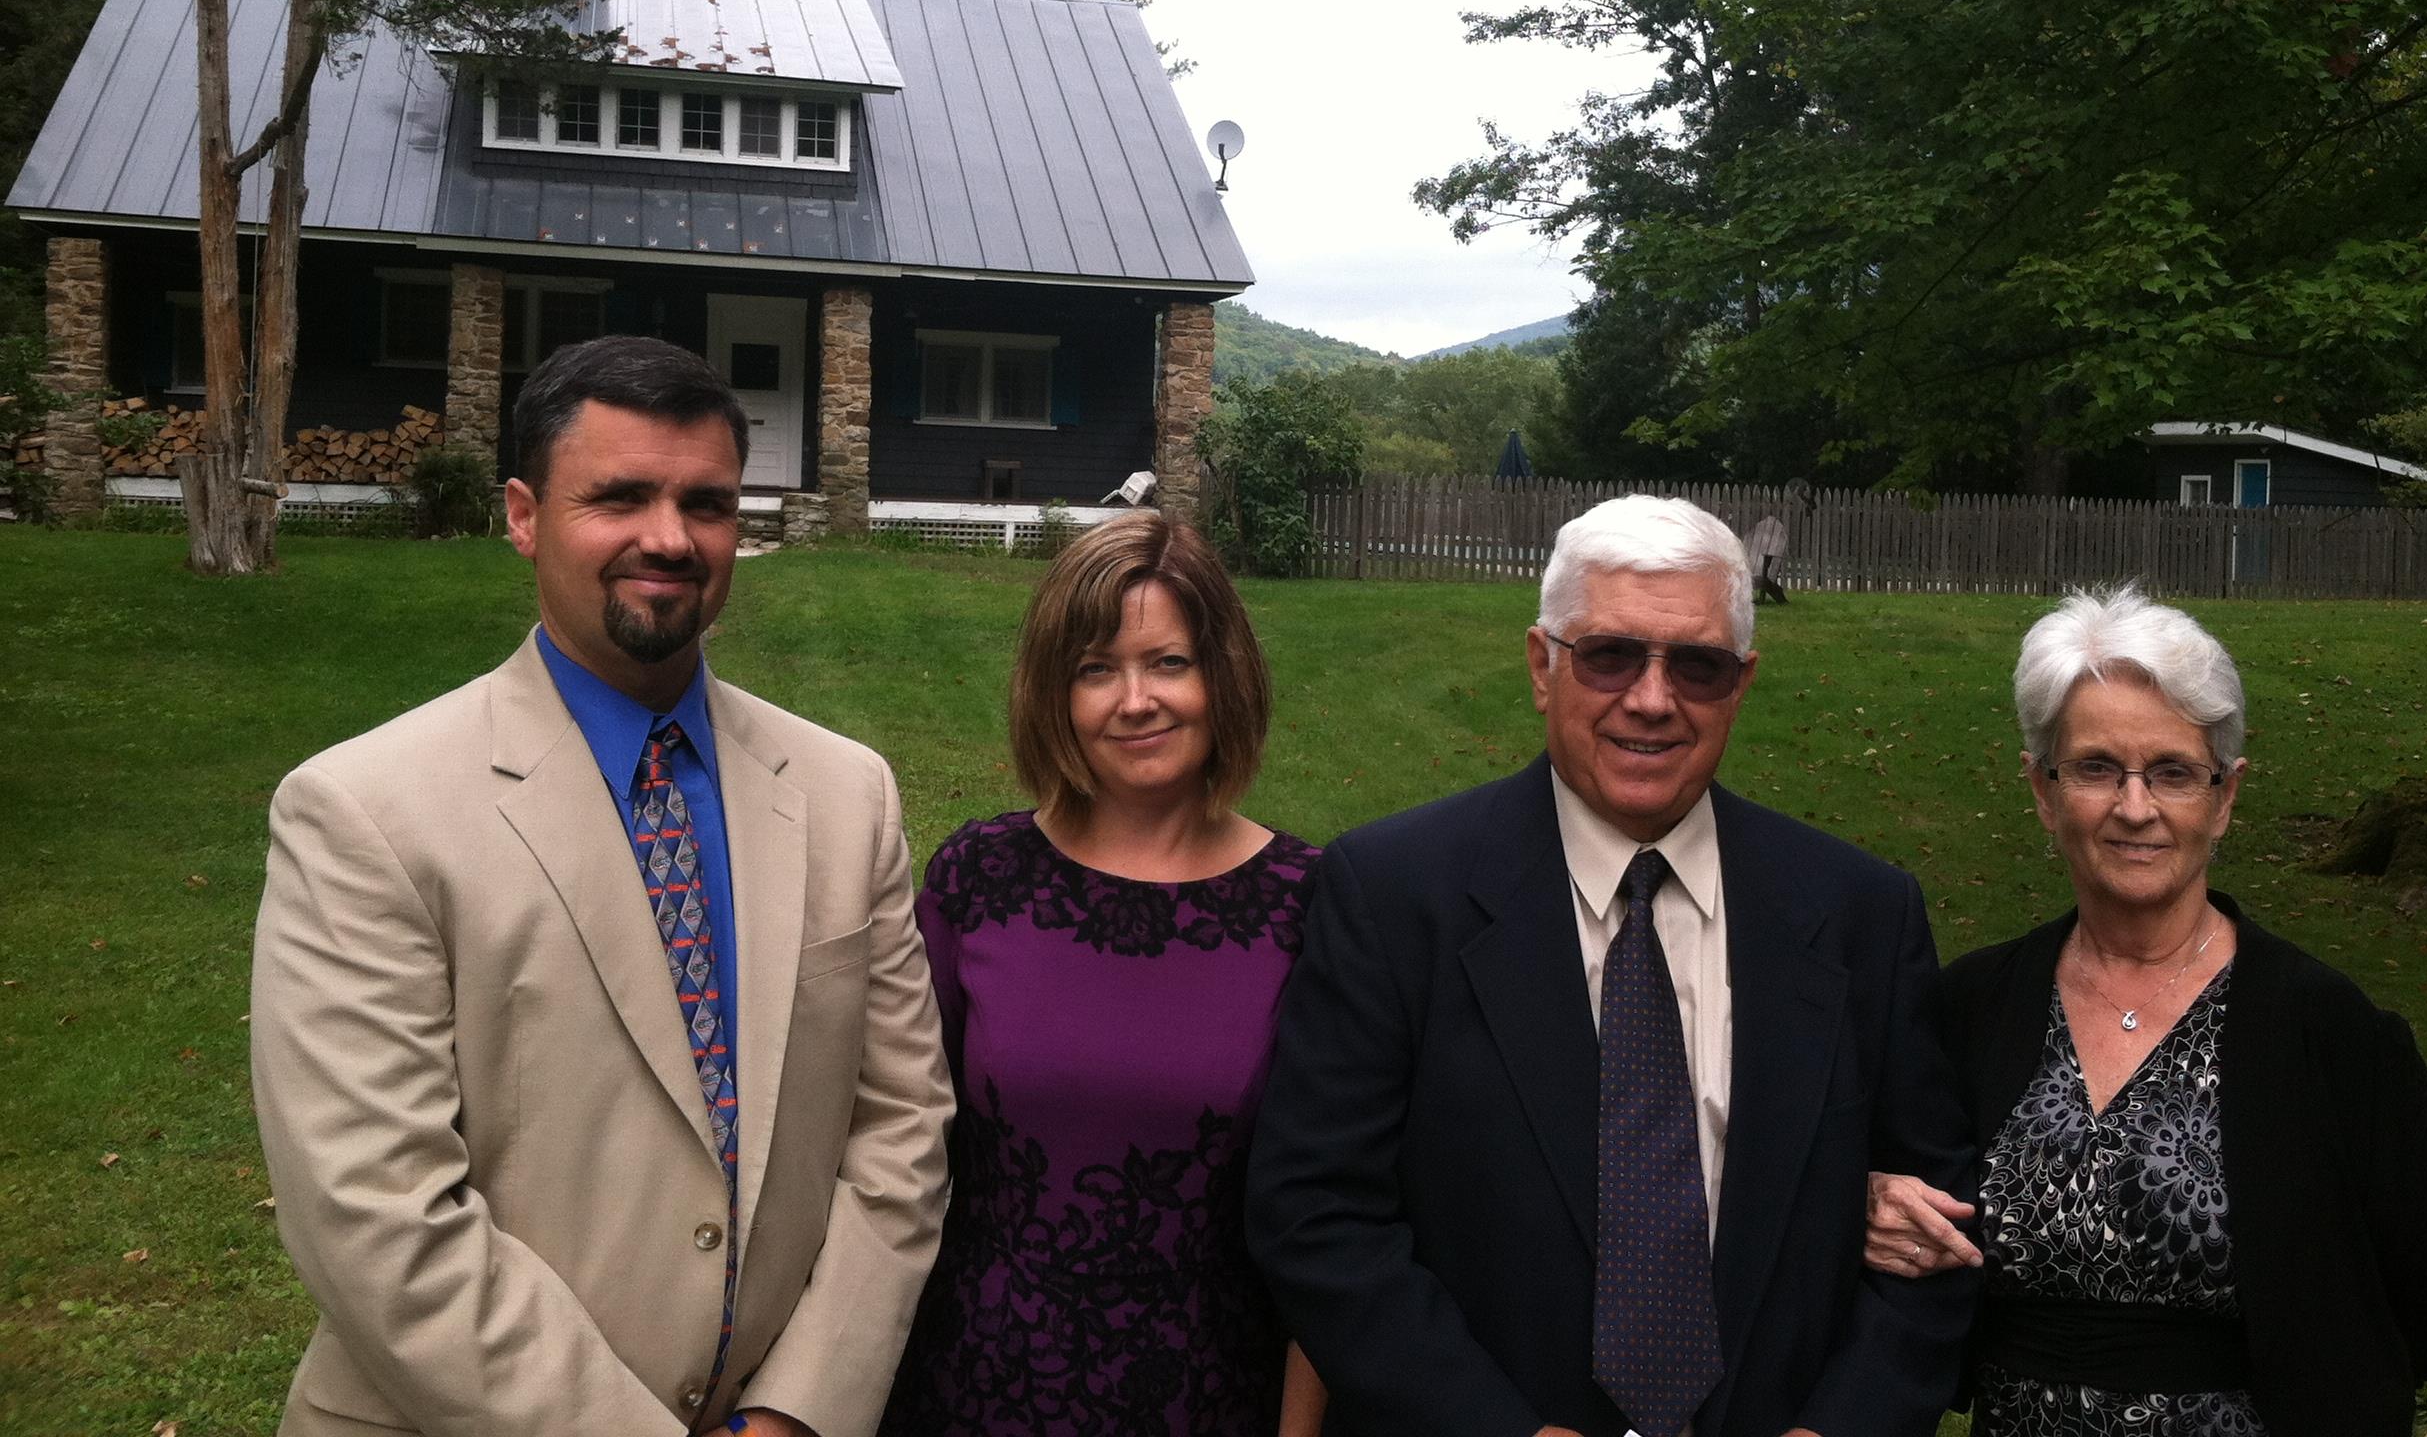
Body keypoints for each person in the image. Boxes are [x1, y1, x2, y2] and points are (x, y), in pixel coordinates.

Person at [249, 336, 953, 1437]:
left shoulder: (845, 794)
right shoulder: (365, 814)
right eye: (619, 496)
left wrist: (798, 1409)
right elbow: (377, 1216)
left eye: (707, 503)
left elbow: (902, 1128)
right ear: (525, 515)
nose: (669, 538)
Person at [1247, 494, 1976, 1437]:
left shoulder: (1858, 914)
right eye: (1611, 655)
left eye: (1698, 665)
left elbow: (1938, 1235)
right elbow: (1315, 1215)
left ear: (1742, 684)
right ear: (1542, 666)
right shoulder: (1394, 897)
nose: (1652, 698)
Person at [1864, 585, 2427, 1436]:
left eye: (2173, 772)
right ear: (2043, 789)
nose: (2135, 808)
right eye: (2097, 768)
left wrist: (2326, 1365)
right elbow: (1871, 1195)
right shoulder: (1973, 1005)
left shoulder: (2326, 1028)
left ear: (2224, 796)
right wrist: (1870, 1199)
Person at [882, 511, 1326, 1437]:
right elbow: (892, 1144)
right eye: (1096, 668)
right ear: (1056, 693)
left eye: (1169, 662)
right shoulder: (981, 880)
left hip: (1209, 1396)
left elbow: (1339, 1211)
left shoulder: (1311, 907)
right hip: (974, 1388)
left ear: (1224, 675)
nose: (1136, 700)